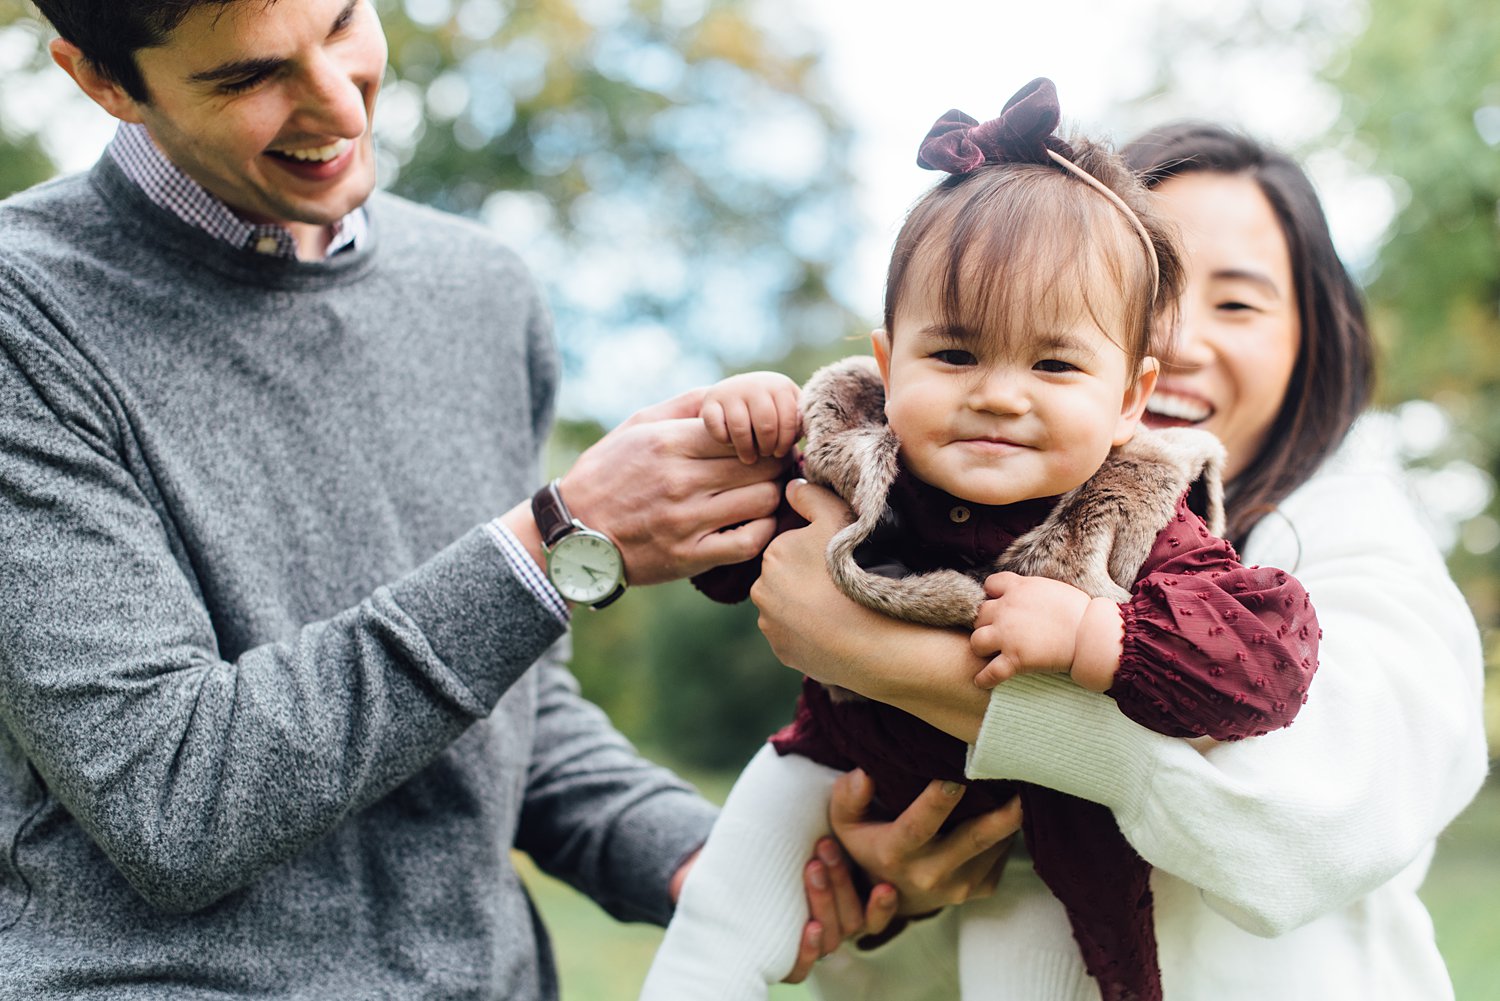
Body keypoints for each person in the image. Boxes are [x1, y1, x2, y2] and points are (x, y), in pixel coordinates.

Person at [0, 0, 906, 994]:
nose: (339, 104)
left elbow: (512, 710)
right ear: (102, 81)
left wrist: (725, 863)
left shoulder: (482, 291)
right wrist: (552, 543)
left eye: (345, 20)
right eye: (250, 76)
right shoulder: (28, 316)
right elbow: (174, 797)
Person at [749, 121, 1489, 1000]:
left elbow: (1304, 826)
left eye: (1239, 303)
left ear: (1310, 343)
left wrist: (881, 656)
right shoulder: (983, 517)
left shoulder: (1352, 533)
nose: (1175, 340)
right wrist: (897, 882)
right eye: (1146, 294)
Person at [639, 82, 1321, 1001]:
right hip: (840, 758)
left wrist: (1098, 638)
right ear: (889, 366)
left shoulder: (1140, 510)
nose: (1000, 393)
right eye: (955, 354)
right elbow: (734, 553)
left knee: (1046, 967)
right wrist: (751, 438)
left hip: (1051, 826)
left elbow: (1265, 661)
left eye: (1053, 363)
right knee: (716, 930)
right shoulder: (857, 448)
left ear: (1129, 398)